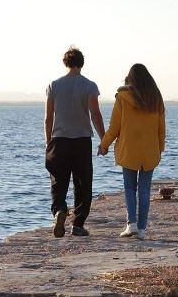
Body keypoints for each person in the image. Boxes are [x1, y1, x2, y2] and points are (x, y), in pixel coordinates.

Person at [98, 64, 165, 240]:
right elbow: (161, 128)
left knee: (129, 187)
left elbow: (114, 127)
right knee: (144, 189)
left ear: (130, 79)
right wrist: (160, 149)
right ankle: (142, 230)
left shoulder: (122, 97)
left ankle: (131, 224)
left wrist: (104, 144)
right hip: (150, 150)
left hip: (129, 149)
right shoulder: (156, 97)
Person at [45, 47, 105, 237]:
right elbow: (95, 114)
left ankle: (60, 210)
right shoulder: (89, 86)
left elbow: (48, 118)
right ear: (81, 63)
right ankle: (78, 224)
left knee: (58, 180)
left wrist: (48, 142)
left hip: (59, 140)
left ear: (66, 63)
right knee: (83, 183)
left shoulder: (54, 86)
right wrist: (104, 139)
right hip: (81, 141)